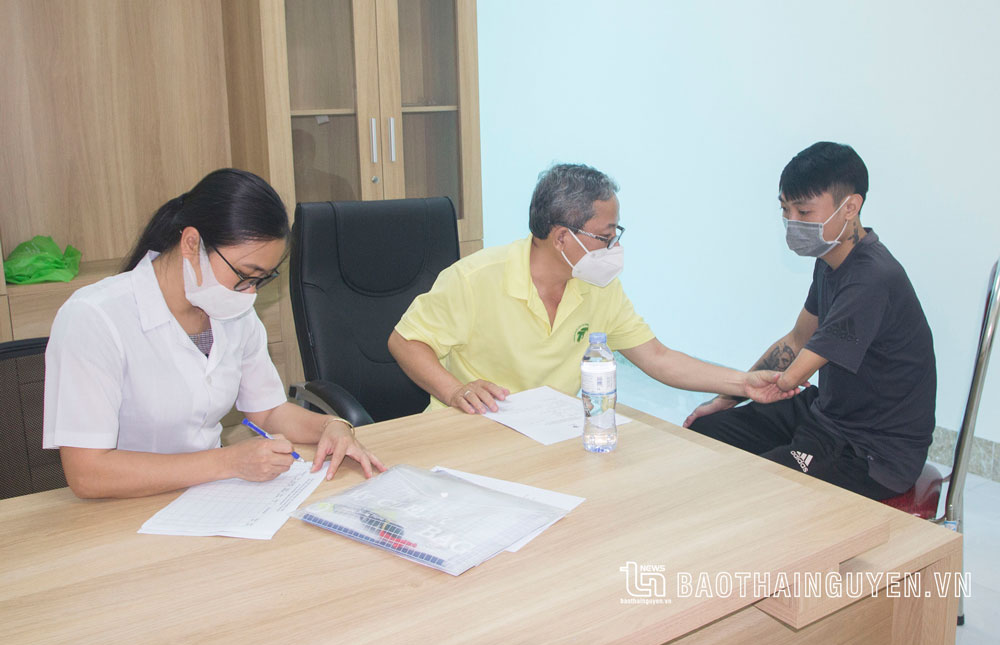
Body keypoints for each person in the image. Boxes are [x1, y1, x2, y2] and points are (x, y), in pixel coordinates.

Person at [43, 168, 385, 499]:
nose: (250, 293)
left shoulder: (233, 310)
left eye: (261, 280)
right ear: (192, 244)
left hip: (211, 498)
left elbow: (268, 412)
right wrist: (228, 462)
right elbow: (87, 474)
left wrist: (331, 426)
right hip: (122, 510)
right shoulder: (95, 317)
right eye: (245, 275)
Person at [388, 163, 800, 415]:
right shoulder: (476, 278)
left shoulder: (598, 286)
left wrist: (743, 383)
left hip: (550, 438)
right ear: (562, 238)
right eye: (605, 236)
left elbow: (657, 358)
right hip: (469, 432)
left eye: (616, 234)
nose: (614, 247)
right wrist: (455, 390)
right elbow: (405, 341)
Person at [685, 142, 936, 500]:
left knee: (753, 489)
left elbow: (793, 376)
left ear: (850, 207)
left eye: (803, 211)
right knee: (706, 432)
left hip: (872, 450)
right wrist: (724, 399)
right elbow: (796, 340)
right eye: (785, 210)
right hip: (828, 413)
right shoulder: (830, 260)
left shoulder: (873, 278)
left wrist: (747, 389)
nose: (792, 223)